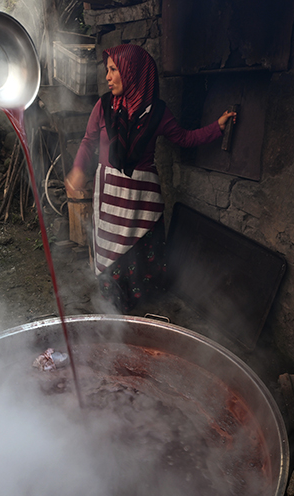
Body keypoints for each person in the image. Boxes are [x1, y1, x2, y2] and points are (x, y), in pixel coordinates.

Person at [66, 44, 235, 311]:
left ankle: (141, 313)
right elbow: (88, 142)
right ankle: (112, 309)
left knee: (139, 259)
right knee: (110, 256)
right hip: (110, 193)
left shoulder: (157, 113)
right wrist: (78, 168)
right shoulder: (103, 106)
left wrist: (217, 127)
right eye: (107, 70)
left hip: (142, 201)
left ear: (132, 73)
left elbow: (185, 138)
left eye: (113, 70)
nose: (107, 77)